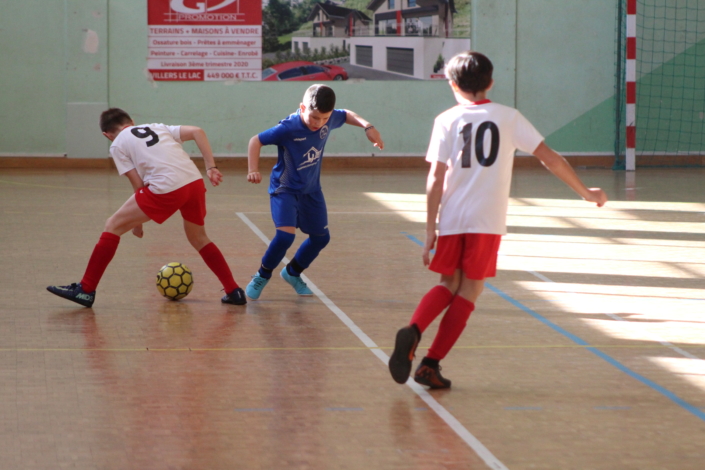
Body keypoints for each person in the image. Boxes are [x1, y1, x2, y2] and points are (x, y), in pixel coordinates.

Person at [388, 51, 608, 389]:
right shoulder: (508, 117)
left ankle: (414, 328)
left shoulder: (446, 120)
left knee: (448, 283)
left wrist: (430, 227)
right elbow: (550, 158)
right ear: (491, 82)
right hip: (486, 220)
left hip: (452, 217)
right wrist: (585, 192)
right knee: (471, 288)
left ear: (452, 84)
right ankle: (430, 364)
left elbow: (435, 177)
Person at [47, 108, 247, 307]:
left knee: (113, 225)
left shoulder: (117, 145)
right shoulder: (157, 127)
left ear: (107, 135)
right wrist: (211, 167)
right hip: (194, 182)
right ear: (132, 121)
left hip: (167, 186)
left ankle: (86, 289)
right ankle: (233, 290)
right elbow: (197, 131)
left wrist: (137, 223)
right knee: (199, 237)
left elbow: (138, 184)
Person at [244, 84, 384, 299]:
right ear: (302, 108)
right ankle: (262, 275)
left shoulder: (328, 119)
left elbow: (346, 114)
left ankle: (292, 272)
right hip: (285, 188)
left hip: (311, 190)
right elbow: (256, 141)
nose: (318, 123)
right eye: (314, 117)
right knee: (285, 237)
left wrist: (368, 126)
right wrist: (253, 169)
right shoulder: (288, 128)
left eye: (324, 119)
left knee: (321, 238)